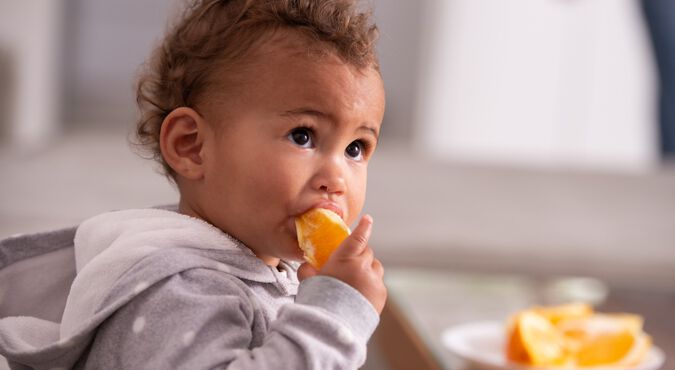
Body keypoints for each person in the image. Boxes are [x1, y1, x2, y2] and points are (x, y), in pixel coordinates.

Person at [0, 0, 387, 368]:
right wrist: (335, 315)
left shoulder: (257, 265)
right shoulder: (182, 291)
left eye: (356, 148)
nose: (336, 178)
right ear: (193, 146)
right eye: (303, 136)